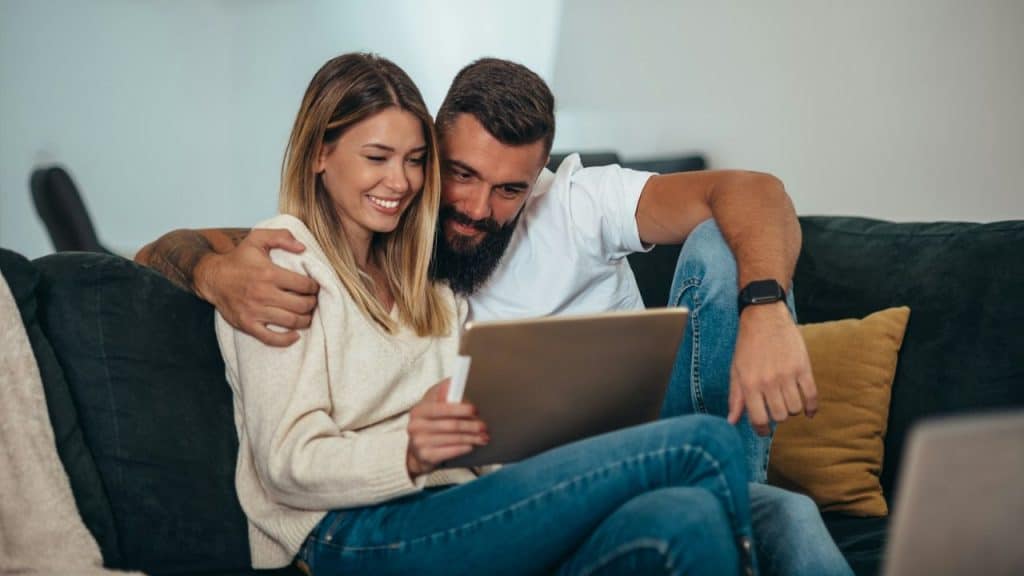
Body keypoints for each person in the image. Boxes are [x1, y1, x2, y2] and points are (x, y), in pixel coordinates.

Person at [137, 58, 852, 575]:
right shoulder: (280, 265)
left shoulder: (428, 279)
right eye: (380, 158)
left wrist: (766, 313)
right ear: (322, 154)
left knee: (687, 519)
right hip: (348, 530)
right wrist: (209, 269)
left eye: (413, 162)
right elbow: (287, 465)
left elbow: (751, 192)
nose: (403, 183)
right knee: (705, 449)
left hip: (470, 498)